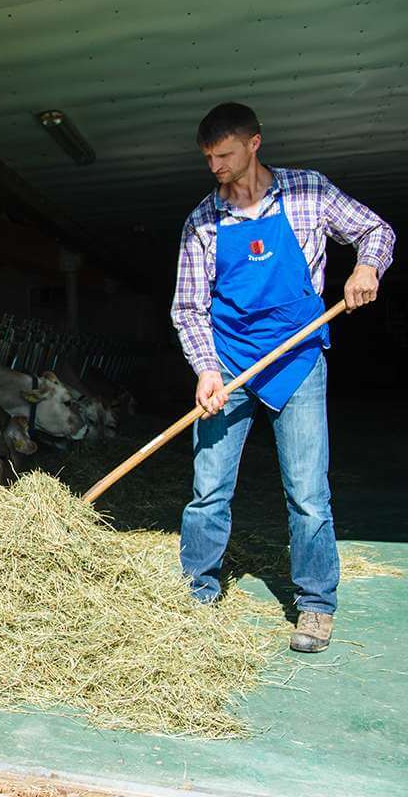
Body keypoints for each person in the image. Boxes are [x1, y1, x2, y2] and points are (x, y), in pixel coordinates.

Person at [171, 102, 395, 653]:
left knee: (308, 491)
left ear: (254, 143)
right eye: (208, 158)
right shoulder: (202, 220)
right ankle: (195, 592)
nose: (215, 168)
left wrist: (367, 266)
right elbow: (188, 308)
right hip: (230, 364)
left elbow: (375, 229)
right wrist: (205, 371)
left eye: (224, 155)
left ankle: (316, 605)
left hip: (298, 360)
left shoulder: (307, 192)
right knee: (208, 488)